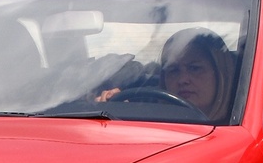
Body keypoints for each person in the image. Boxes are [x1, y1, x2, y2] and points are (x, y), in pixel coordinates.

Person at [98, 29, 237, 122]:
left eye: (195, 68)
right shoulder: (149, 116)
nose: (182, 80)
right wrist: (117, 109)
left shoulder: (246, 126)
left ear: (220, 74)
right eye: (173, 70)